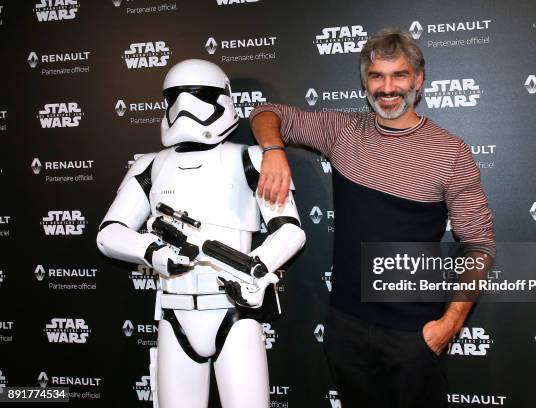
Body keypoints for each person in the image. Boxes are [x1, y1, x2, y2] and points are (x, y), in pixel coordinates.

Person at [249, 29, 495, 407]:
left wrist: (450, 324)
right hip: (346, 329)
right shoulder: (343, 132)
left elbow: (479, 243)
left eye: (399, 75)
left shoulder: (451, 152)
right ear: (365, 82)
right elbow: (267, 114)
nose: (388, 87)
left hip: (415, 334)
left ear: (419, 79)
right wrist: (272, 151)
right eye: (377, 76)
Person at [96, 59, 306, 408]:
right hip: (174, 313)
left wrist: (254, 269)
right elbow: (108, 234)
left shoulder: (250, 159)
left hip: (235, 313)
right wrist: (151, 252)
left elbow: (290, 231)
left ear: (222, 99)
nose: (184, 108)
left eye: (198, 96)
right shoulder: (151, 165)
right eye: (175, 97)